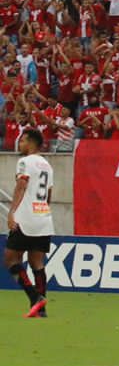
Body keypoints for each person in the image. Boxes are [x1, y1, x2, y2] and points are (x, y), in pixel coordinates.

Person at [6, 128, 53, 318]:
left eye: (23, 140)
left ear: (32, 143)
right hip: (43, 217)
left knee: (10, 259)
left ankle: (35, 298)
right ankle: (41, 310)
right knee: (37, 262)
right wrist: (41, 210)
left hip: (26, 218)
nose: (20, 143)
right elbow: (49, 194)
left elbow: (21, 185)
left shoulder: (25, 162)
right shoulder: (47, 165)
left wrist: (12, 212)